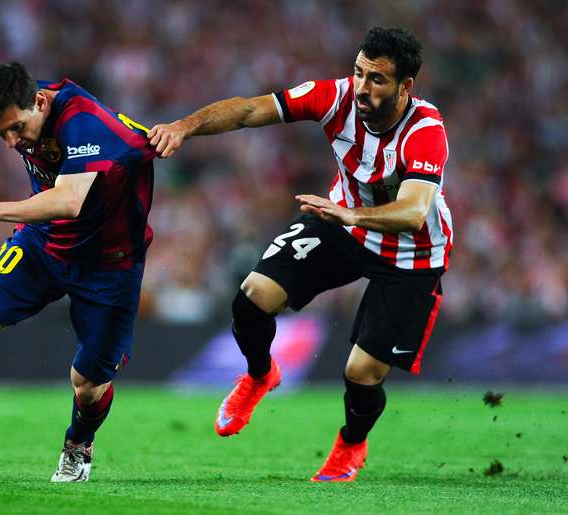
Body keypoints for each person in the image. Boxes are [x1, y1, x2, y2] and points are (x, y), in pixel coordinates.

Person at [148, 27, 452, 482]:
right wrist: (183, 127)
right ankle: (259, 375)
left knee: (363, 372)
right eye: (359, 72)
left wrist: (348, 214)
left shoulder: (426, 131)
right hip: (342, 223)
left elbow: (412, 213)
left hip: (411, 253)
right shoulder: (336, 97)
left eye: (378, 80)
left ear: (406, 86)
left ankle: (350, 444)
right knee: (253, 294)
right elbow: (251, 110)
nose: (363, 88)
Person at [0, 61, 157, 483]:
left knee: (86, 385)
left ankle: (78, 444)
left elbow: (67, 201)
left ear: (41, 102)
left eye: (16, 128)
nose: (12, 142)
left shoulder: (85, 124)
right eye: (0, 133)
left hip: (109, 264)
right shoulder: (22, 98)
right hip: (43, 242)